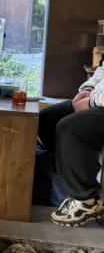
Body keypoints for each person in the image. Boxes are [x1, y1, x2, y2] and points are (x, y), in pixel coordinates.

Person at [38, 69, 104, 226]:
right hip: (98, 99)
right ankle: (66, 178)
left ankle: (86, 200)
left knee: (70, 127)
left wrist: (92, 102)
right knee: (47, 118)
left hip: (99, 102)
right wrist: (88, 88)